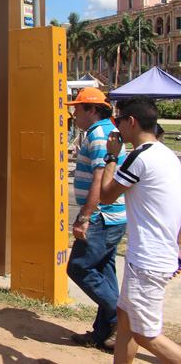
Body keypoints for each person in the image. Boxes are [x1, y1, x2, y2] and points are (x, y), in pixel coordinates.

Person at [100, 95, 181, 363]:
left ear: (131, 122)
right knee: (125, 321)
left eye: (118, 121)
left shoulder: (139, 157)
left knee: (146, 334)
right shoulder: (168, 155)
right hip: (157, 255)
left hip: (146, 260)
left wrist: (111, 156)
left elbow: (106, 196)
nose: (116, 127)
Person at [65, 87, 127, 350]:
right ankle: (103, 334)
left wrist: (84, 217)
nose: (74, 114)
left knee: (79, 267)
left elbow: (100, 181)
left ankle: (120, 315)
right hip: (110, 217)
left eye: (77, 108)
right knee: (103, 272)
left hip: (102, 217)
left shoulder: (100, 135)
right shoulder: (103, 131)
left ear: (92, 110)